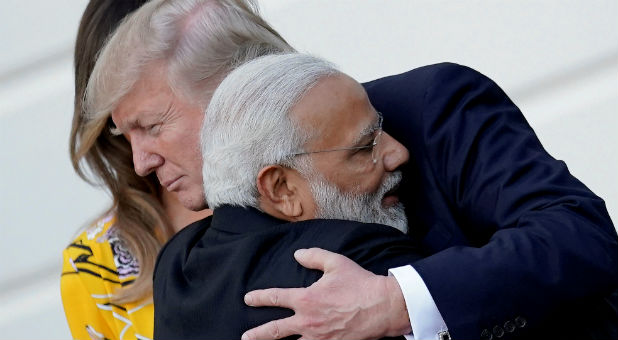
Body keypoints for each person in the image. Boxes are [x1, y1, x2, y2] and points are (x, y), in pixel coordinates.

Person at [78, 0, 618, 339]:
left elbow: (579, 233)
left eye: (152, 125)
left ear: (235, 90)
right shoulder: (190, 266)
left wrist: (398, 301)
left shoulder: (432, 109)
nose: (142, 161)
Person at [154, 52, 422, 339]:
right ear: (281, 189)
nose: (398, 153)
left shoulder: (176, 260)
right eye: (364, 147)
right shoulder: (353, 258)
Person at [60, 0, 287, 339]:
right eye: (125, 128)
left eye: (151, 124)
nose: (142, 162)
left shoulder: (353, 164)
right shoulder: (96, 264)